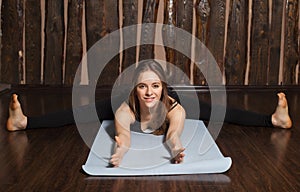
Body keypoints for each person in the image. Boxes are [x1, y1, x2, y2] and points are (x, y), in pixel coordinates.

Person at [6, 60, 292, 167]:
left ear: (163, 88)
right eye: (142, 86)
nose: (149, 92)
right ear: (136, 89)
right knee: (82, 113)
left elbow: (174, 134)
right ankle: (23, 123)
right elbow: (123, 136)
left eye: (154, 86)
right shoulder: (124, 106)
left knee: (213, 112)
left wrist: (177, 148)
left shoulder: (173, 104)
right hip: (124, 106)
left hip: (174, 107)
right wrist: (119, 152)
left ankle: (273, 120)